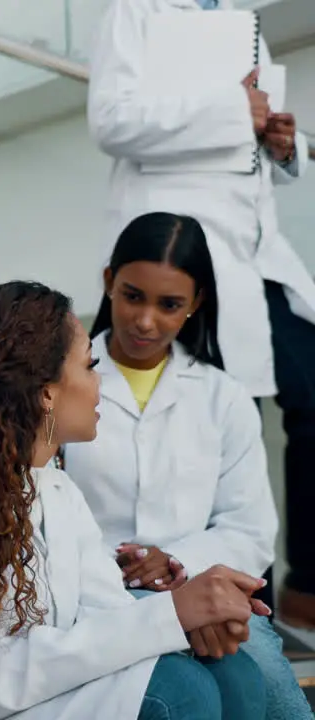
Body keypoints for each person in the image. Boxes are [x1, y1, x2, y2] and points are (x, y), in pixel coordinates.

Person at [0, 280, 270, 720]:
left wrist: (192, 620)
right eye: (90, 366)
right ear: (45, 392)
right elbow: (0, 676)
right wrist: (172, 615)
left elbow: (107, 614)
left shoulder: (57, 490)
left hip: (38, 698)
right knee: (179, 692)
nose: (102, 382)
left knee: (236, 676)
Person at [88, 0, 315, 624]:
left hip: (255, 243)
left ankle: (285, 587)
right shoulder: (133, 12)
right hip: (180, 237)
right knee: (216, 406)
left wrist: (278, 144)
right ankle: (226, 592)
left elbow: (254, 135)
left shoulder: (244, 20)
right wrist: (230, 115)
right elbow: (111, 121)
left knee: (298, 388)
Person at [63, 212, 311, 719]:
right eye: (133, 295)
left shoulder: (224, 398)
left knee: (256, 666)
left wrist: (174, 560)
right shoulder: (62, 383)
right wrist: (128, 563)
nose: (146, 320)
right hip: (92, 594)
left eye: (169, 304)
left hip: (201, 586)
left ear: (196, 304)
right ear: (109, 282)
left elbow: (250, 529)